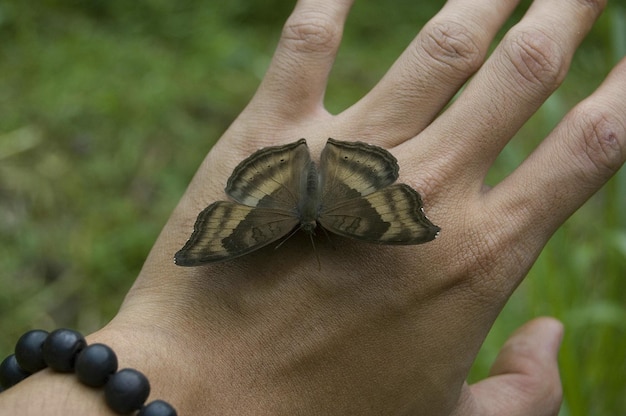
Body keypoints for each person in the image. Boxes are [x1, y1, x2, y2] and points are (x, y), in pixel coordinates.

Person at [1, 0, 624, 414]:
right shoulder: (337, 222)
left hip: (280, 197)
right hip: (344, 195)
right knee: (321, 224)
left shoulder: (288, 224)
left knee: (300, 226)